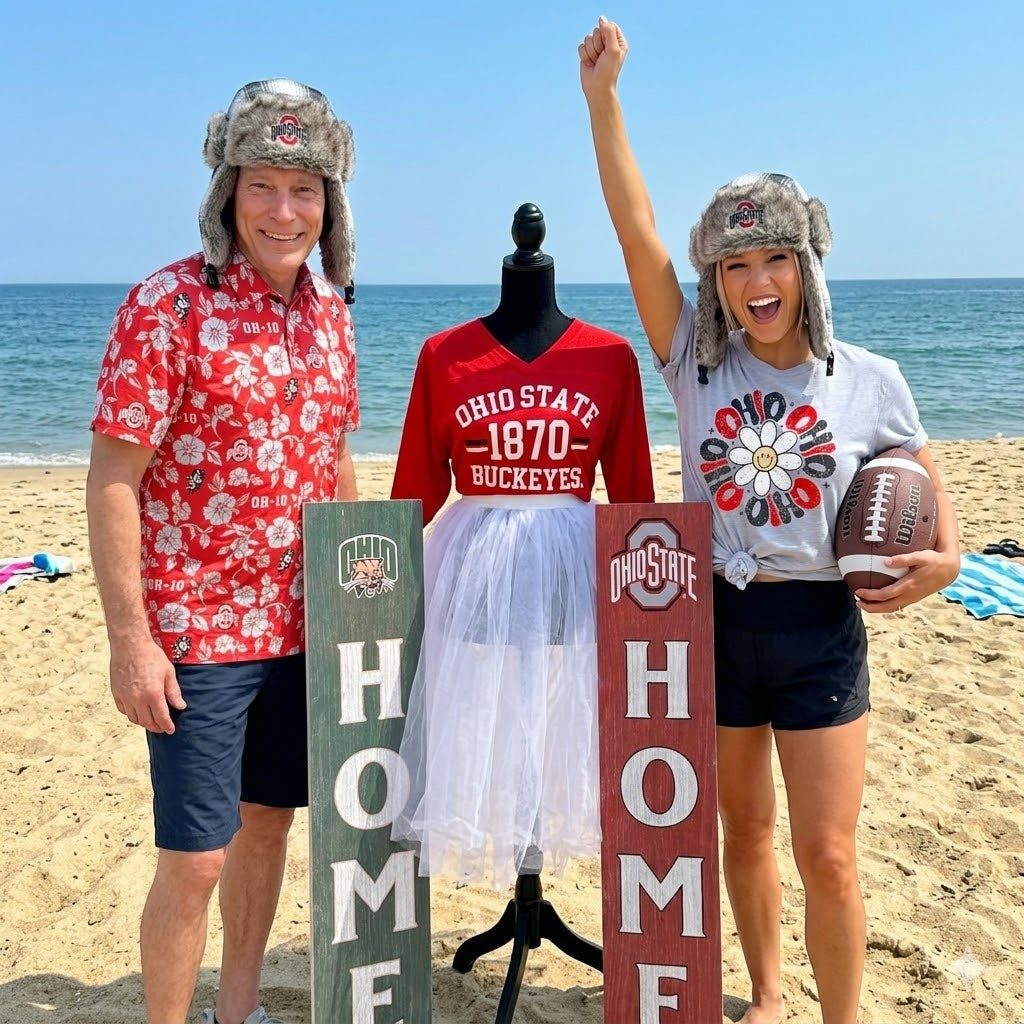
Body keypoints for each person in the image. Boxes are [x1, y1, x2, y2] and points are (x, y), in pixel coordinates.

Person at [578, 19, 960, 1024]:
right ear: (717, 279)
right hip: (716, 619)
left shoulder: (868, 379)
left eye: (774, 258)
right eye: (736, 263)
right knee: (741, 834)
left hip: (819, 629)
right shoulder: (693, 362)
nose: (755, 282)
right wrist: (603, 99)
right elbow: (635, 228)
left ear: (806, 265)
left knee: (826, 851)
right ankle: (768, 993)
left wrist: (941, 566)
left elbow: (934, 515)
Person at [86, 79, 359, 1024]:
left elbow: (332, 460)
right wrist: (132, 639)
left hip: (298, 625)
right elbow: (112, 479)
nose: (285, 211)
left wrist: (351, 603)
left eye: (305, 189)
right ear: (226, 193)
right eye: (263, 186)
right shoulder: (167, 305)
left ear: (329, 203)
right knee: (196, 856)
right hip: (198, 631)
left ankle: (234, 1010)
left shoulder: (333, 314)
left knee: (267, 828)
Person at [389, 206, 655, 892]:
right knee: (483, 712)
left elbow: (632, 493)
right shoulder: (444, 353)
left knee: (560, 717)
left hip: (571, 557)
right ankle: (515, 878)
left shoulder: (610, 356)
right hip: (473, 560)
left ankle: (538, 872)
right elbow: (414, 490)